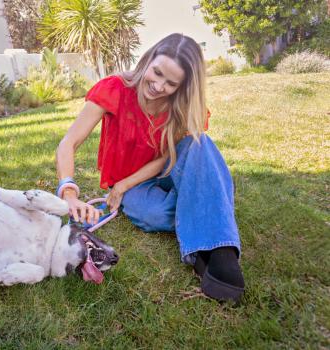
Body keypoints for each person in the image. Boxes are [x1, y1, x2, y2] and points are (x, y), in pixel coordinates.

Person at [55, 33, 244, 302]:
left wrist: (124, 185)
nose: (158, 86)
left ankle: (222, 251)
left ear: (183, 86)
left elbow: (170, 155)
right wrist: (69, 191)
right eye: (156, 73)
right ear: (148, 59)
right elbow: (68, 142)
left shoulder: (183, 103)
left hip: (166, 170)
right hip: (135, 184)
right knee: (153, 214)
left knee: (199, 143)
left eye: (171, 83)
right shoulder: (114, 88)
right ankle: (212, 204)